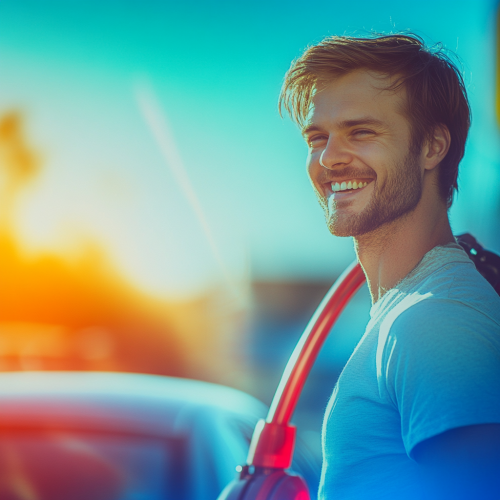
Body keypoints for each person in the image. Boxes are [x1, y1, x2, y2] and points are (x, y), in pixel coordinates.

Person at [279, 34, 500, 499]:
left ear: (433, 146)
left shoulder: (435, 320)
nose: (329, 158)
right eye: (317, 137)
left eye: (361, 132)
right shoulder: (407, 311)